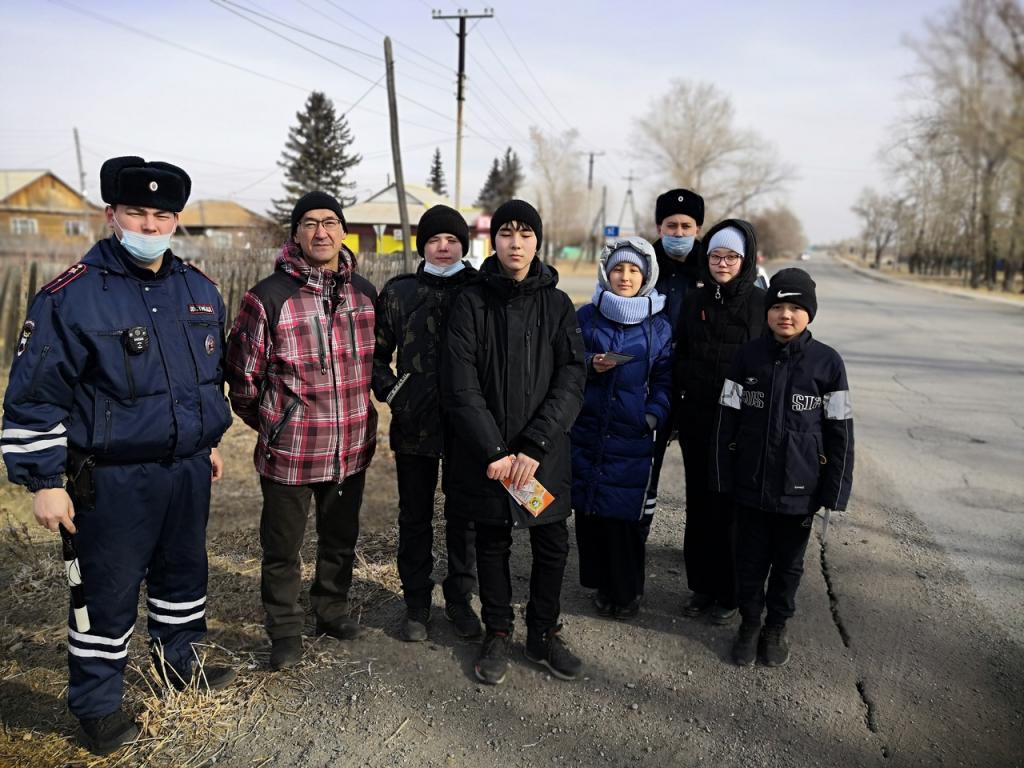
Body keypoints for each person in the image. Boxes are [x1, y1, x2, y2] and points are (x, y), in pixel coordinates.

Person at [1, 156, 235, 756]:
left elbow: (206, 380)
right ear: (112, 214)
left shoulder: (199, 289)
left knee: (183, 577)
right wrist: (45, 480)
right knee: (105, 593)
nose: (149, 225)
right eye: (137, 212)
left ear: (175, 221)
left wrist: (203, 442)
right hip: (110, 480)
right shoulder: (70, 297)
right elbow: (34, 396)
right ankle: (98, 705)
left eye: (162, 215)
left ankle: (179, 666)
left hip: (185, 472)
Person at [225, 191, 377, 671]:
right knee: (282, 549)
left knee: (340, 540)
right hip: (290, 451)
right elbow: (243, 378)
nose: (321, 232)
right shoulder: (268, 296)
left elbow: (377, 365)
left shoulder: (364, 294)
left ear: (342, 230)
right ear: (295, 233)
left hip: (350, 448)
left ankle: (330, 610)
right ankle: (286, 630)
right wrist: (274, 422)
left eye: (330, 222)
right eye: (309, 223)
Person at [443, 199, 586, 685]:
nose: (516, 242)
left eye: (526, 234)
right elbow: (460, 383)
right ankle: (499, 631)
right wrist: (497, 452)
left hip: (539, 458)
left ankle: (543, 632)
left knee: (551, 542)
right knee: (493, 540)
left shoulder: (558, 304)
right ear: (494, 240)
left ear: (537, 242)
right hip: (493, 458)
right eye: (507, 233)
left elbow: (571, 377)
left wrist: (534, 446)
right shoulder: (471, 301)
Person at [713, 268, 854, 667]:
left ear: (809, 313)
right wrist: (723, 473)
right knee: (750, 561)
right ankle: (751, 623)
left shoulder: (827, 363)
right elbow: (727, 419)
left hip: (800, 491)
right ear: (768, 311)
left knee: (789, 564)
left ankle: (776, 626)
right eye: (777, 306)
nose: (785, 315)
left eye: (795, 307)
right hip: (750, 486)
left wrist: (834, 490)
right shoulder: (747, 357)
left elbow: (841, 432)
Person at [372, 205, 480, 642]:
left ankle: (459, 598)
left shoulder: (477, 290)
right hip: (413, 423)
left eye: (451, 240)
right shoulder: (400, 293)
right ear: (422, 246)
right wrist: (396, 393)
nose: (442, 246)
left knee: (464, 514)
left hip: (467, 425)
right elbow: (376, 356)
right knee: (414, 515)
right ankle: (416, 601)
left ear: (463, 246)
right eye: (434, 239)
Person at [571, 237, 672, 619]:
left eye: (633, 270)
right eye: (618, 269)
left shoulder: (657, 325)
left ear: (646, 276)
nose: (625, 276)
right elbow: (564, 358)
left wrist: (652, 417)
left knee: (623, 518)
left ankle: (627, 593)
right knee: (590, 511)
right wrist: (587, 363)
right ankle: (599, 585)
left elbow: (665, 380)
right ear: (605, 272)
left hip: (631, 433)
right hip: (589, 430)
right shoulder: (586, 316)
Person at [674, 221, 765, 624]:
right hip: (698, 420)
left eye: (731, 257)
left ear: (745, 260)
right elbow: (681, 355)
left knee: (732, 511)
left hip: (742, 428)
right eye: (715, 256)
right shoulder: (694, 302)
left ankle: (731, 592)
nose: (722, 263)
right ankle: (702, 587)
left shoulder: (761, 304)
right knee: (700, 505)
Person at [645, 188, 705, 521]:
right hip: (652, 382)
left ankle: (699, 549)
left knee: (701, 474)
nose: (678, 233)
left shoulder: (713, 269)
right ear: (659, 228)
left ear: (698, 229)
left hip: (697, 385)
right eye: (671, 226)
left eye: (686, 226)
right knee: (645, 466)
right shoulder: (642, 266)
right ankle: (637, 535)